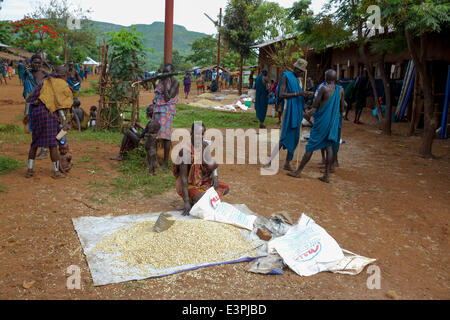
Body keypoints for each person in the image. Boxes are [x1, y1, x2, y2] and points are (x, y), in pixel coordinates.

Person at [288, 69, 346, 183]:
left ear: (326, 78)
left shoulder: (324, 88)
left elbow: (314, 107)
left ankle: (298, 171)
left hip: (321, 123)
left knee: (310, 146)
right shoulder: (341, 90)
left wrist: (305, 114)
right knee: (329, 146)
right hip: (332, 123)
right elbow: (342, 108)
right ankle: (326, 175)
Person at [264, 59, 314, 171]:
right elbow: (281, 94)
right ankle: (269, 160)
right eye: (297, 69)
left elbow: (300, 98)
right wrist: (298, 93)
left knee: (295, 137)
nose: (299, 72)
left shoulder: (299, 80)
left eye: (301, 71)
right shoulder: (286, 76)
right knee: (284, 137)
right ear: (294, 67)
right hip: (289, 110)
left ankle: (287, 163)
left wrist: (306, 95)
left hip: (297, 111)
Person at [25, 65, 73, 179]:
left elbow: (31, 98)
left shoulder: (44, 82)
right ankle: (56, 172)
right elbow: (59, 104)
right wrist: (64, 119)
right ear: (64, 75)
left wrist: (27, 114)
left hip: (37, 114)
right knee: (52, 144)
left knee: (35, 143)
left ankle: (29, 170)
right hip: (49, 115)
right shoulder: (61, 84)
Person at [173, 122, 229, 216]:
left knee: (225, 188)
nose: (200, 137)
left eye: (202, 134)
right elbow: (183, 178)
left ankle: (199, 198)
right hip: (188, 184)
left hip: (202, 180)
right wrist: (186, 202)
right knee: (201, 198)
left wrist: (215, 177)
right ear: (191, 133)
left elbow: (212, 163)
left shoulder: (204, 145)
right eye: (197, 134)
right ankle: (191, 199)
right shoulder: (185, 151)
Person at [152, 63, 180, 168]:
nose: (165, 74)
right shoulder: (161, 81)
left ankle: (165, 162)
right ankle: (154, 158)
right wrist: (154, 82)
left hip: (167, 110)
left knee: (165, 136)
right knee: (154, 133)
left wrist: (163, 82)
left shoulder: (175, 82)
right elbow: (157, 93)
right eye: (164, 72)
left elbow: (168, 97)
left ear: (172, 72)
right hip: (158, 108)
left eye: (167, 72)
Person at [23, 54, 50, 160]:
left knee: (43, 127)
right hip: (31, 105)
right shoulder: (27, 73)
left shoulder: (45, 74)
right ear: (31, 63)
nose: (37, 65)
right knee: (34, 127)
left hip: (42, 105)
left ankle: (44, 150)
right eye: (35, 62)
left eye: (39, 63)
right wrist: (26, 112)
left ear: (41, 64)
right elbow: (28, 93)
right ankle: (39, 148)